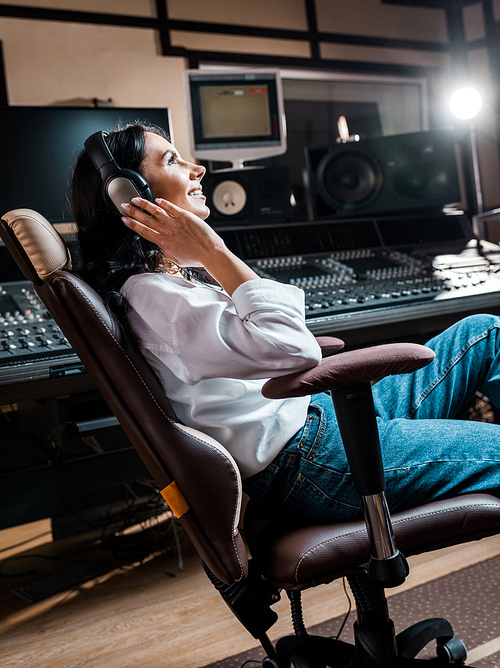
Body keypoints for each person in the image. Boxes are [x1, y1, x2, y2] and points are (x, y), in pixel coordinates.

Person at [71, 121, 500, 524]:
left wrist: (201, 258)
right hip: (312, 460)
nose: (197, 169)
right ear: (129, 194)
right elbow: (294, 348)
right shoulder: (153, 296)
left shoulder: (167, 280)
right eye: (171, 161)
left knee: (484, 331)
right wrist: (214, 252)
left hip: (317, 419)